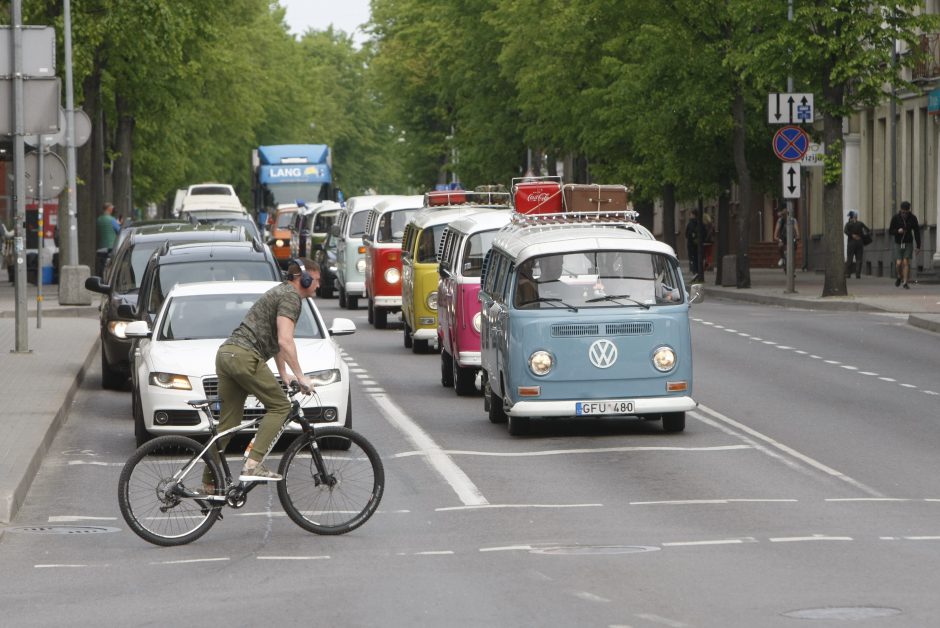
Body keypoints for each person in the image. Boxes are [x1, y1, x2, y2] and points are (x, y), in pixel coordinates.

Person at [212, 258, 320, 483]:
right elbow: (285, 341)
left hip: (227, 354)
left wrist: (284, 374)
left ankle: (209, 483)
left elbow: (275, 340)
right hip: (245, 357)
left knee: (228, 425)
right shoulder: (291, 298)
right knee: (280, 407)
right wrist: (301, 378)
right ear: (304, 279)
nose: (318, 285)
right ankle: (253, 466)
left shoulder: (280, 292)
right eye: (316, 280)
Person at [888, 201, 921, 289]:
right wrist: (897, 231)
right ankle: (899, 276)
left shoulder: (913, 218)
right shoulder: (895, 218)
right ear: (900, 210)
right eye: (903, 212)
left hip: (908, 242)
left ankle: (905, 282)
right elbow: (890, 231)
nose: (904, 214)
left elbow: (917, 232)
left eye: (906, 212)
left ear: (908, 211)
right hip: (898, 243)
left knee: (906, 261)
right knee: (898, 263)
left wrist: (918, 246)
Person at [95, 202, 121, 276]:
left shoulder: (99, 219)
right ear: (109, 209)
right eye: (112, 208)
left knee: (102, 265)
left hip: (102, 246)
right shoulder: (112, 220)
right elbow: (119, 231)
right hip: (111, 246)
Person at [843, 210, 869, 279]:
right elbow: (867, 230)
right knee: (859, 259)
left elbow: (845, 231)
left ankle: (848, 274)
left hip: (851, 243)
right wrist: (861, 236)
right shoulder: (860, 224)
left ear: (851, 217)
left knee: (850, 259)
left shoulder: (848, 224)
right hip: (859, 243)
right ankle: (858, 274)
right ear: (856, 217)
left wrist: (852, 235)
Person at [685, 209, 701, 278]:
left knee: (692, 258)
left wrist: (690, 238)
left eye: (691, 214)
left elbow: (687, 234)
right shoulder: (699, 222)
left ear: (693, 215)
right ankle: (698, 271)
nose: (690, 216)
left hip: (691, 244)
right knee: (697, 258)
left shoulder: (690, 223)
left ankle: (695, 272)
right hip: (698, 244)